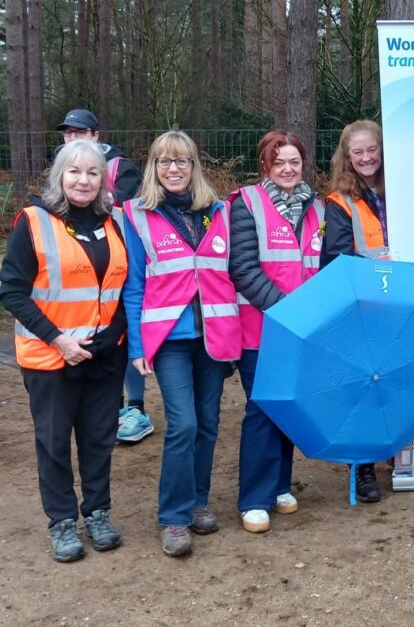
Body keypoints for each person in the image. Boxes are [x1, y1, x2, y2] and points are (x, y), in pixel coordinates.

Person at [0, 140, 128, 562]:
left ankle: (97, 513)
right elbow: (12, 291)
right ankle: (61, 522)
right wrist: (59, 339)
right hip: (51, 356)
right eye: (74, 172)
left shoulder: (116, 222)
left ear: (104, 180)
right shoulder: (33, 222)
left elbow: (127, 289)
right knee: (54, 442)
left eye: (93, 172)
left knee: (98, 439)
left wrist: (112, 337)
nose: (83, 180)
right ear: (59, 176)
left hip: (105, 354)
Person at [123, 131, 241, 557]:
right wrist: (137, 347)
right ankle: (172, 518)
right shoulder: (136, 214)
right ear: (154, 167)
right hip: (168, 337)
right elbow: (134, 286)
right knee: (184, 425)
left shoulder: (219, 212)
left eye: (183, 161)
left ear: (195, 166)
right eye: (165, 161)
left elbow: (231, 273)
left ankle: (198, 502)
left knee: (209, 424)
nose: (174, 169)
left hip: (215, 335)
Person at [230, 130, 324, 533]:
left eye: (294, 162)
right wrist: (289, 310)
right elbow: (243, 268)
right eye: (278, 162)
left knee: (289, 404)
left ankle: (280, 484)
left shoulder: (318, 208)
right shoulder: (246, 204)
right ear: (265, 166)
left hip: (303, 330)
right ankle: (254, 497)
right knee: (263, 407)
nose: (287, 169)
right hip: (260, 328)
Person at [57, 108, 150, 443]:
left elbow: (124, 210)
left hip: (119, 259)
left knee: (121, 331)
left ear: (95, 135)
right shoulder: (62, 168)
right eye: (68, 132)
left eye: (80, 132)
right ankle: (110, 406)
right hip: (79, 264)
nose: (73, 137)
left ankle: (136, 408)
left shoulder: (121, 168)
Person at [320, 119, 389, 501]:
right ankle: (363, 467)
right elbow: (337, 259)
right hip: (364, 305)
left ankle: (398, 453)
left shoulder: (402, 189)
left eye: (372, 149)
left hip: (402, 301)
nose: (366, 158)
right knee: (366, 385)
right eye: (357, 152)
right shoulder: (339, 202)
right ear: (346, 158)